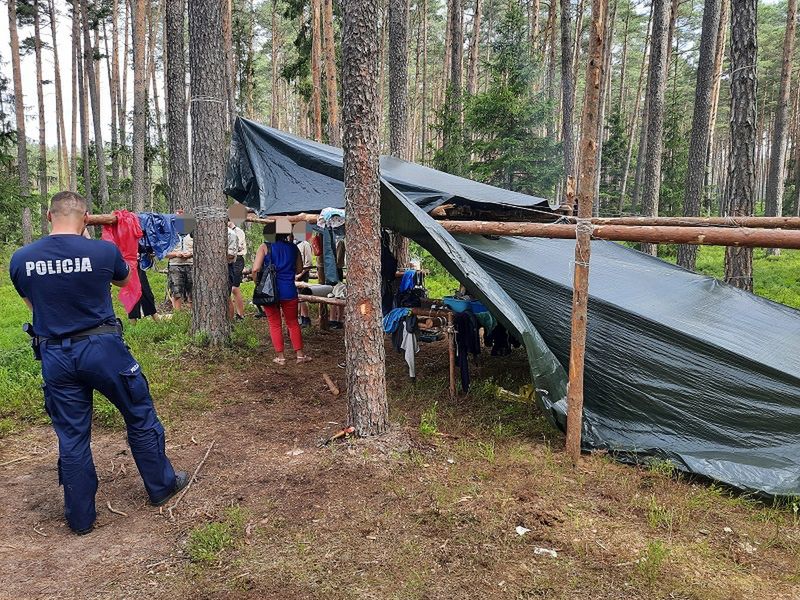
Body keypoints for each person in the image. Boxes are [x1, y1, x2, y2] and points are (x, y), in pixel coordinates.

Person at [8, 191, 187, 535]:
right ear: (87, 218)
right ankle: (161, 486)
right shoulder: (103, 252)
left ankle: (80, 518)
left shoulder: (22, 258)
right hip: (103, 347)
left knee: (72, 436)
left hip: (55, 353)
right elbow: (123, 279)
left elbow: (32, 302)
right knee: (138, 413)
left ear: (49, 217)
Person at [252, 229, 312, 365]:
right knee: (293, 322)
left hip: (269, 291)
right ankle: (300, 355)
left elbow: (255, 269)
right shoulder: (294, 248)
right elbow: (298, 269)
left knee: (274, 324)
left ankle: (280, 357)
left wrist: (258, 283)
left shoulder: (264, 247)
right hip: (289, 290)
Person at [128, 249, 158, 323]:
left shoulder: (139, 239)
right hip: (128, 266)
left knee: (146, 292)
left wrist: (149, 253)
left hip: (139, 266)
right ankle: (133, 326)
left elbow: (144, 249)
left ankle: (157, 320)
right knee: (133, 295)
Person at [166, 232, 193, 311]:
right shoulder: (170, 235)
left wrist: (190, 253)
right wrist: (176, 254)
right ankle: (178, 316)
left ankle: (194, 317)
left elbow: (202, 249)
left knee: (193, 292)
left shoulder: (195, 232)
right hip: (175, 265)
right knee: (176, 292)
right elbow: (163, 253)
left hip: (191, 265)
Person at [228, 220, 247, 320]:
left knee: (235, 288)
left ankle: (240, 314)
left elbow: (238, 247)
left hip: (237, 260)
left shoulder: (238, 231)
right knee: (229, 288)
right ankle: (231, 314)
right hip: (228, 261)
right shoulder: (225, 231)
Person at [295, 236, 313, 327]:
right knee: (297, 296)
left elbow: (308, 263)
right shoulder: (294, 243)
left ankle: (306, 318)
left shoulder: (305, 244)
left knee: (302, 296)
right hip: (294, 274)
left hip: (302, 274)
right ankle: (301, 317)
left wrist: (300, 275)